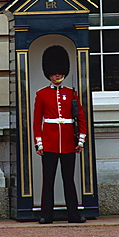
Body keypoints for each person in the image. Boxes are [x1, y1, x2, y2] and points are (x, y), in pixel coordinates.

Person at [33, 45, 87, 224]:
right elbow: (37, 121)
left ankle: (73, 214)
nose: (57, 75)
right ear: (49, 74)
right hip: (49, 142)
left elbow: (80, 118)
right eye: (54, 72)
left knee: (68, 180)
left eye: (59, 72)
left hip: (68, 143)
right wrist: (39, 143)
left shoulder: (72, 94)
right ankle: (46, 215)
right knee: (48, 180)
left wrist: (80, 140)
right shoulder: (41, 94)